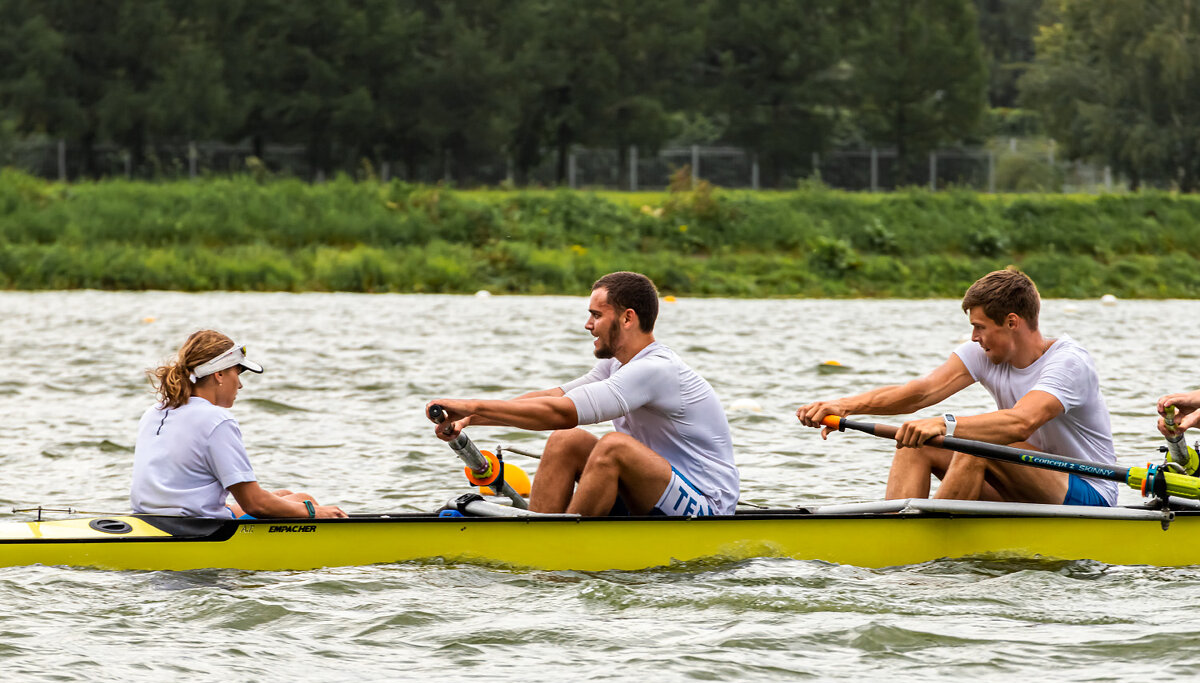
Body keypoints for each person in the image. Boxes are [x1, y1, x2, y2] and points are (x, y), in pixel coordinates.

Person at [797, 267, 1117, 507]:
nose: (974, 338)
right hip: (1022, 479)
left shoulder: (1068, 363)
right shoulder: (986, 353)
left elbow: (1022, 421)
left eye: (979, 327)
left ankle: (924, 541)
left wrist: (945, 424)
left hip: (1088, 491)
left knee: (971, 440)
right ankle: (895, 530)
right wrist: (844, 406)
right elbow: (920, 392)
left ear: (1011, 322)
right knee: (915, 443)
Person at [427, 271, 739, 517]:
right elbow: (555, 398)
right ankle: (534, 535)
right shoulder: (618, 366)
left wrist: (471, 405)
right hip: (655, 494)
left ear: (628, 318)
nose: (588, 325)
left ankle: (559, 549)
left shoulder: (656, 370)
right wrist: (470, 417)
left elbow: (562, 413)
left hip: (706, 508)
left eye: (596, 315)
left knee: (614, 447)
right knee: (568, 440)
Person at [131, 330, 346, 519]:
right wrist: (315, 512)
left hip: (152, 518)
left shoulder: (154, 411)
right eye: (238, 372)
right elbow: (255, 504)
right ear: (220, 374)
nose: (240, 384)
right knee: (303, 500)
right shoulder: (216, 420)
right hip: (195, 528)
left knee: (282, 496)